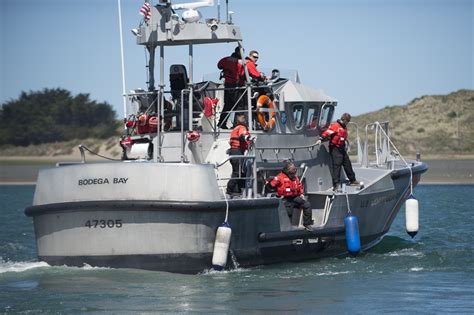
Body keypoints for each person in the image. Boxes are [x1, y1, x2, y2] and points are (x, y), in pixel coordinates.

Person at [316, 113, 359, 189]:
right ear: (344, 120)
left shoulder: (343, 127)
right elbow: (327, 133)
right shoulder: (336, 126)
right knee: (337, 165)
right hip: (335, 148)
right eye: (347, 121)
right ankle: (336, 183)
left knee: (347, 164)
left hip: (342, 148)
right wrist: (320, 139)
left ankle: (352, 180)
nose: (347, 123)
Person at [267, 162, 313, 231]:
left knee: (307, 205)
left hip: (295, 197)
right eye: (292, 172)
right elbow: (270, 186)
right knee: (288, 213)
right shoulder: (280, 177)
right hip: (285, 198)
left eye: (294, 171)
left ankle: (307, 223)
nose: (293, 174)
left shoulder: (295, 177)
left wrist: (301, 194)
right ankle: (287, 229)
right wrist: (269, 185)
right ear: (288, 171)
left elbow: (299, 186)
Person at [217, 47, 244, 128]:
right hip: (236, 86)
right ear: (239, 53)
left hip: (227, 85)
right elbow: (242, 74)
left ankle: (222, 123)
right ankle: (239, 125)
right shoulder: (239, 62)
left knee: (228, 105)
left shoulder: (225, 59)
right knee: (240, 106)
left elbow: (219, 65)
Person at [226, 113, 253, 196]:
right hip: (237, 151)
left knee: (237, 171)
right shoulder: (242, 128)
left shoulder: (236, 128)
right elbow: (243, 135)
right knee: (238, 172)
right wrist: (249, 138)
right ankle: (229, 189)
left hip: (233, 151)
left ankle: (237, 190)